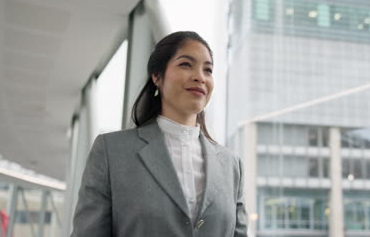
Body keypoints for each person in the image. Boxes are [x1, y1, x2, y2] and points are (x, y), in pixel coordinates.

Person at [71, 31, 248, 237]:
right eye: (185, 64)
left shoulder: (231, 165)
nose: (200, 77)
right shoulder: (111, 152)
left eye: (207, 70)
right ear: (157, 76)